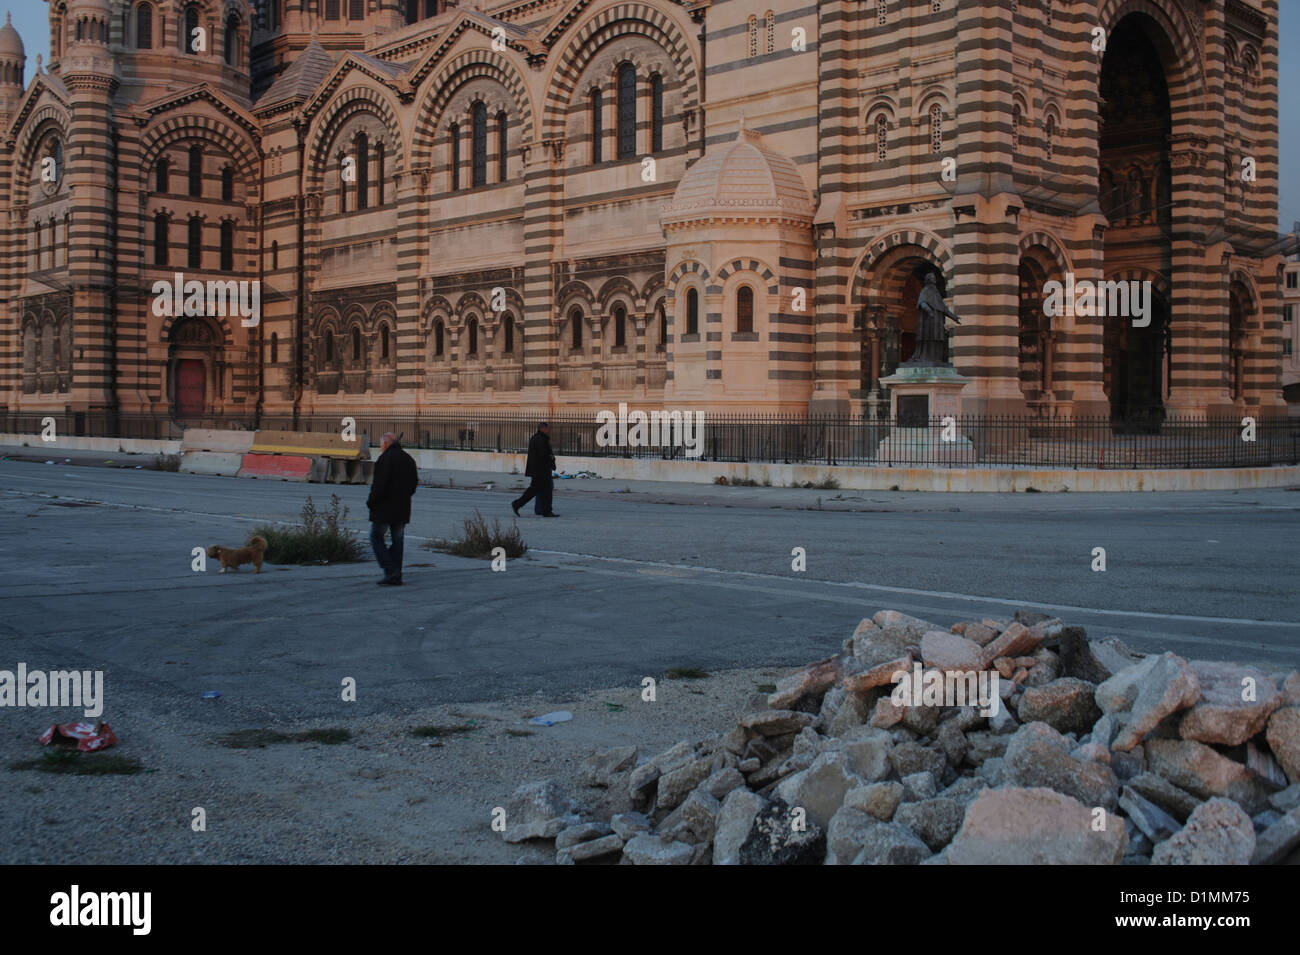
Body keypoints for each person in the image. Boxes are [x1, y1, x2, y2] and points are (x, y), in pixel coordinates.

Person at [367, 431, 418, 585]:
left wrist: (371, 502)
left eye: (381, 444)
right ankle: (397, 573)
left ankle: (390, 570)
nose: (381, 447)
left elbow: (379, 485)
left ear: (386, 443)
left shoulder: (385, 459)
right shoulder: (408, 459)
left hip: (384, 507)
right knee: (398, 540)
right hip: (402, 507)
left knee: (376, 537)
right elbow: (413, 484)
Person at [511, 422, 558, 517]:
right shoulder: (541, 439)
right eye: (547, 429)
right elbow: (542, 454)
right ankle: (545, 510)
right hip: (541, 470)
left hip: (537, 470)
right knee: (544, 490)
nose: (548, 431)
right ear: (543, 429)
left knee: (537, 490)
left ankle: (544, 510)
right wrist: (550, 457)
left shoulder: (536, 438)